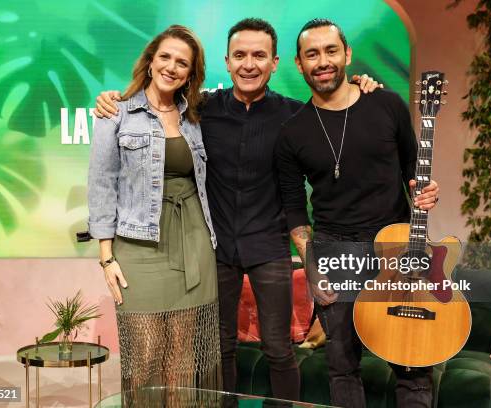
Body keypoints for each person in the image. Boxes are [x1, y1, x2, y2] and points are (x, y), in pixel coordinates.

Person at [94, 18, 380, 401]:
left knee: (279, 350)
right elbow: (149, 113)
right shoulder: (200, 110)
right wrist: (111, 98)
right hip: (215, 248)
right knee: (219, 349)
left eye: (259, 56)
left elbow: (340, 108)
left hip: (271, 248)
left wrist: (364, 85)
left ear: (275, 62)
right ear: (226, 63)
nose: (249, 64)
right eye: (240, 55)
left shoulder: (295, 115)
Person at [275, 19, 439, 408]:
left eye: (331, 50)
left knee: (413, 366)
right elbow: (296, 213)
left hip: (398, 248)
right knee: (342, 366)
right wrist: (313, 274)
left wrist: (426, 191)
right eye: (312, 54)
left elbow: (415, 173)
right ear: (299, 64)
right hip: (335, 253)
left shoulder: (387, 104)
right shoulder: (291, 134)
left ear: (347, 54)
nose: (323, 61)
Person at [87, 25, 220, 405]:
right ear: (150, 62)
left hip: (194, 243)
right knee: (144, 359)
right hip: (137, 247)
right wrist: (106, 256)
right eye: (166, 57)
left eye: (183, 63)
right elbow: (101, 185)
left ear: (191, 74)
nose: (172, 67)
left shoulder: (196, 115)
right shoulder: (115, 113)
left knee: (184, 362)